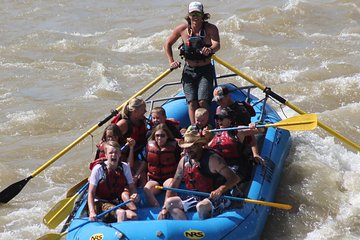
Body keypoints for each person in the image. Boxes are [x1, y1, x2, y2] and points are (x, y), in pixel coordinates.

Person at [157, 132, 239, 220]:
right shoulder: (184, 161)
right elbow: (174, 184)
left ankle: (206, 229)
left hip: (219, 197)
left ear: (199, 146)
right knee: (169, 203)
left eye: (191, 147)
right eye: (185, 148)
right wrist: (164, 208)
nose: (187, 151)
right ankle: (186, 228)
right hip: (197, 197)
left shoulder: (213, 159)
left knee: (201, 206)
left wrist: (220, 189)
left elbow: (234, 178)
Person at [164, 2, 220, 124]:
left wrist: (210, 49)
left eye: (197, 13)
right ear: (188, 15)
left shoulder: (211, 28)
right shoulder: (182, 29)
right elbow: (167, 43)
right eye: (192, 13)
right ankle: (195, 128)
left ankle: (206, 128)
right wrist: (171, 61)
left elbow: (217, 44)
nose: (195, 16)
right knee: (191, 102)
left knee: (203, 101)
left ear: (202, 15)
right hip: (189, 70)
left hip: (205, 69)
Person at [88, 141, 139, 223]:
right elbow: (91, 193)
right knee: (121, 213)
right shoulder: (98, 169)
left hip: (116, 202)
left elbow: (132, 187)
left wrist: (134, 195)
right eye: (111, 153)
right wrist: (92, 212)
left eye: (116, 152)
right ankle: (119, 235)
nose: (114, 155)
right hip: (100, 203)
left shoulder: (124, 167)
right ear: (106, 155)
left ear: (120, 154)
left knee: (133, 216)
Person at [212, 86, 265, 165]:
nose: (218, 103)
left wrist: (255, 153)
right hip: (225, 143)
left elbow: (250, 134)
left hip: (241, 143)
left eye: (220, 100)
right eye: (216, 101)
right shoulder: (219, 110)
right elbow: (218, 132)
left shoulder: (241, 110)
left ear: (228, 96)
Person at [112, 96, 148, 187]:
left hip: (134, 156)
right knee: (130, 177)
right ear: (135, 111)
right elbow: (110, 141)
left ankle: (143, 196)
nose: (145, 111)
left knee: (143, 174)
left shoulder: (141, 121)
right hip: (122, 158)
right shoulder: (123, 124)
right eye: (143, 109)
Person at [144, 124, 181, 207]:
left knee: (171, 186)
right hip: (155, 180)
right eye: (157, 136)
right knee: (147, 189)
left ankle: (166, 207)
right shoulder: (148, 147)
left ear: (167, 136)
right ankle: (156, 208)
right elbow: (145, 163)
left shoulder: (175, 146)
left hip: (168, 178)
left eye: (162, 136)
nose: (159, 138)